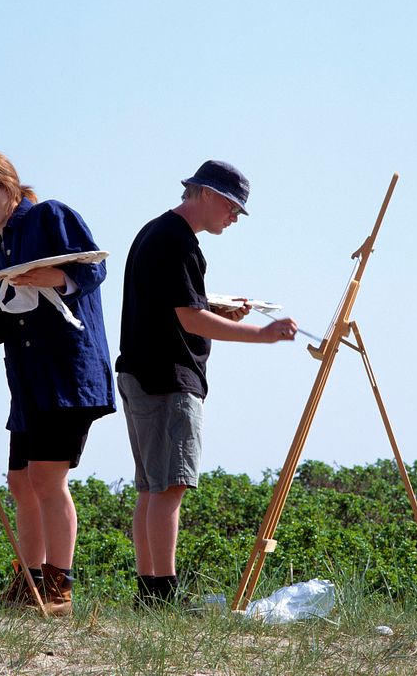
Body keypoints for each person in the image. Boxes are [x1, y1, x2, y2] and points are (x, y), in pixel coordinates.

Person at [116, 159, 298, 605]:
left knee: (152, 487)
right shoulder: (178, 241)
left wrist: (221, 312)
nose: (234, 218)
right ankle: (164, 593)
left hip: (141, 372)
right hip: (168, 377)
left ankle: (149, 592)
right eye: (233, 207)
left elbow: (180, 305)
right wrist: (262, 333)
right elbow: (190, 318)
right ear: (207, 194)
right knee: (171, 486)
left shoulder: (155, 232)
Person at [0, 149, 115, 615]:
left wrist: (54, 275)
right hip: (27, 383)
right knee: (20, 482)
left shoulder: (49, 215)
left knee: (45, 478)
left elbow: (95, 268)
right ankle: (32, 584)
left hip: (67, 376)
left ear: (5, 185)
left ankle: (59, 589)